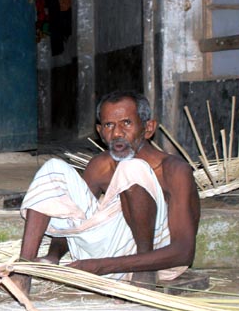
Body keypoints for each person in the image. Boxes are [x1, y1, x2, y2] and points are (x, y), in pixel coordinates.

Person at [13, 90, 200, 294]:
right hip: (106, 255)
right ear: (100, 131)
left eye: (126, 123)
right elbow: (77, 218)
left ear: (148, 128)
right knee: (52, 168)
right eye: (109, 125)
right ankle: (23, 271)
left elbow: (184, 252)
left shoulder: (174, 170)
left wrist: (104, 266)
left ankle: (144, 272)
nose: (117, 133)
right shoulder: (100, 166)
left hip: (155, 260)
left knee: (132, 168)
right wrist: (53, 256)